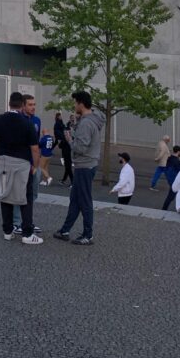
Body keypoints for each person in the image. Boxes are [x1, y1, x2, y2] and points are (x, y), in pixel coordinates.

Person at [0, 91, 42, 245]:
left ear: (9, 103)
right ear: (22, 105)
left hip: (3, 161)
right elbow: (35, 148)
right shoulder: (27, 124)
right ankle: (27, 232)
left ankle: (7, 230)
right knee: (26, 198)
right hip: (22, 164)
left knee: (4, 196)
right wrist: (35, 166)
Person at [54, 91, 104, 246]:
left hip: (84, 165)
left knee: (84, 200)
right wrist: (77, 124)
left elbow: (80, 147)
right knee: (75, 199)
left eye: (75, 103)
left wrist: (70, 140)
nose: (74, 106)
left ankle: (88, 235)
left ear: (81, 103)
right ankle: (65, 230)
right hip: (89, 163)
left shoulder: (86, 123)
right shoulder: (94, 118)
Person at [55, 113, 73, 185]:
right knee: (67, 166)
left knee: (68, 166)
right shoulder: (68, 136)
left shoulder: (65, 138)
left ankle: (73, 181)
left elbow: (61, 145)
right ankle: (63, 180)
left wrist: (60, 142)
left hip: (66, 152)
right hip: (67, 151)